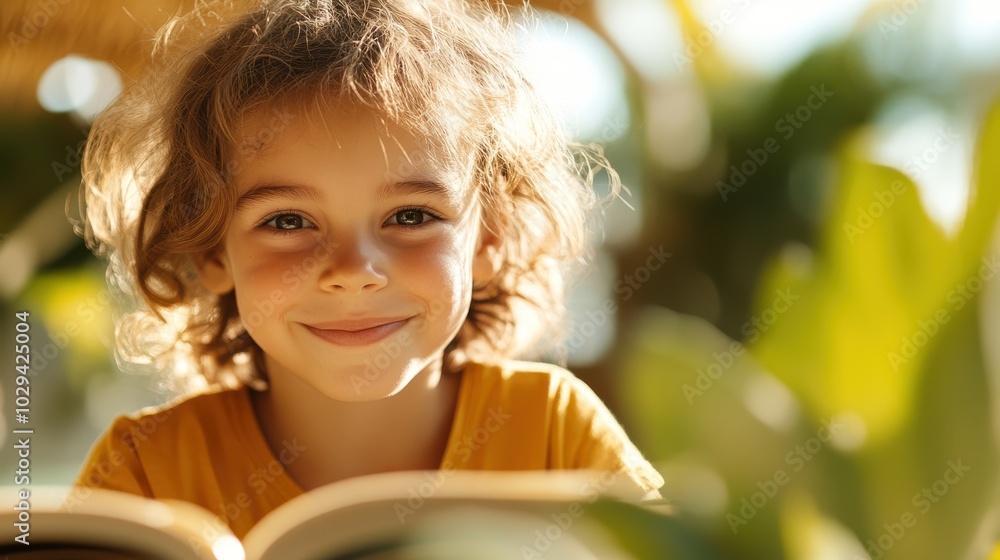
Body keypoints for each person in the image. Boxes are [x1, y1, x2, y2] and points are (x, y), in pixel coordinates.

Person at [73, 0, 663, 540]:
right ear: (210, 251)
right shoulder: (145, 472)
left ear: (489, 237)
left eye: (410, 215)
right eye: (287, 221)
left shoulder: (555, 435)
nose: (354, 272)